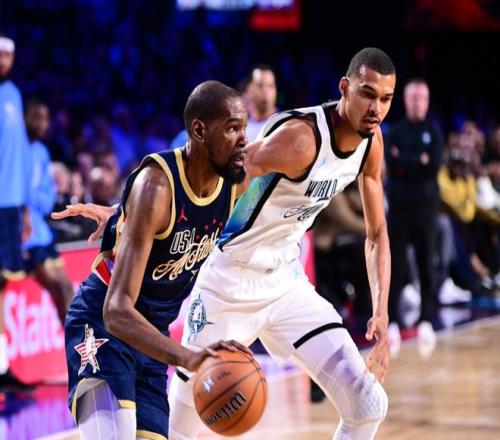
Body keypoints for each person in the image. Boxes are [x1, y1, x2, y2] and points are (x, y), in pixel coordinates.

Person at [59, 48, 395, 439]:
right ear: (345, 87)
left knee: (368, 404)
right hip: (228, 283)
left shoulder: (371, 142)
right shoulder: (301, 141)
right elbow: (224, 170)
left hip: (286, 282)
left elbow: (377, 233)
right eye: (368, 94)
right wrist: (127, 211)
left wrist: (381, 310)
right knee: (179, 431)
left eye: (386, 99)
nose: (376, 108)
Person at [60, 81, 250, 440]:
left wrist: (120, 213)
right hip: (103, 322)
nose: (244, 139)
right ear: (199, 131)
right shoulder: (157, 187)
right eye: (232, 128)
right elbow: (116, 311)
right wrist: (188, 357)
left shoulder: (235, 181)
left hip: (150, 337)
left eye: (244, 127)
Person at [384, 79, 443, 355]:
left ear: (427, 101)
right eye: (414, 97)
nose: (418, 102)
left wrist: (404, 163)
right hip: (399, 209)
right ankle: (392, 320)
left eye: (422, 98)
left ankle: (426, 319)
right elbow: (391, 163)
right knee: (394, 266)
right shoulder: (394, 132)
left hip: (426, 209)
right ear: (406, 100)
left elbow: (432, 166)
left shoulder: (434, 132)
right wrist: (416, 161)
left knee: (426, 263)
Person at [0, 34, 33, 390]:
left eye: (7, 55)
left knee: (3, 284)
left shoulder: (13, 94)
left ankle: (2, 364)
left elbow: (21, 152)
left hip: (9, 204)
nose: (2, 60)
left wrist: (24, 208)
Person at [23, 98, 74, 325]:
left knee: (67, 288)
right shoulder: (14, 150)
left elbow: (46, 197)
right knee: (58, 286)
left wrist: (32, 199)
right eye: (37, 118)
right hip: (25, 234)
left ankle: (73, 341)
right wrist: (29, 201)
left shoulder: (42, 152)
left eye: (45, 118)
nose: (42, 124)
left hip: (42, 232)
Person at [245, 64, 278, 141]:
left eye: (270, 86)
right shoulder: (241, 129)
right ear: (249, 89)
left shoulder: (284, 125)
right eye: (260, 85)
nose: (265, 91)